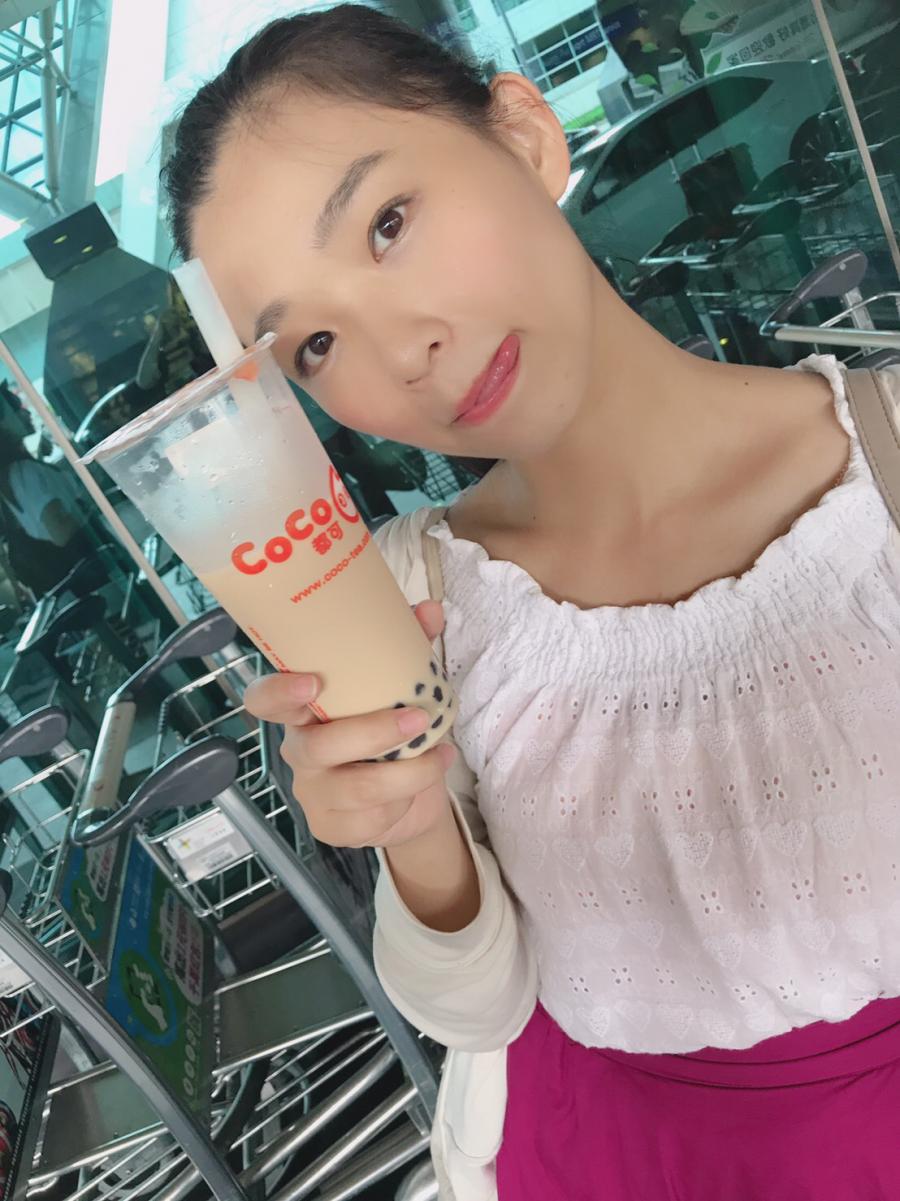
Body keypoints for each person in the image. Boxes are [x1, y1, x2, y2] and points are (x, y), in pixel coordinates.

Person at [161, 8, 900, 1199]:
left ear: (522, 135)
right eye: (314, 346)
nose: (406, 348)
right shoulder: (413, 600)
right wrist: (410, 827)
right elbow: (480, 1010)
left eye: (388, 223)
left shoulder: (882, 464)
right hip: (607, 1156)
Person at [0, 394, 94, 597]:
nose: (26, 413)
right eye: (16, 409)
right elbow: (60, 533)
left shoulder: (11, 476)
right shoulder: (25, 473)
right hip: (91, 568)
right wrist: (90, 502)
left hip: (74, 586)